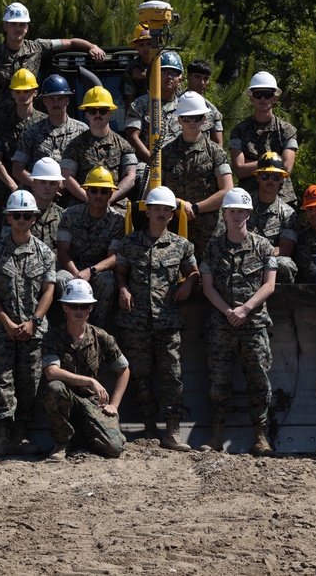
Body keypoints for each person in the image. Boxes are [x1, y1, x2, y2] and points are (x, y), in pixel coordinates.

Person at [114, 186, 198, 451]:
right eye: (157, 209)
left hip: (167, 320)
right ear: (147, 211)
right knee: (140, 376)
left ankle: (173, 432)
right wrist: (123, 289)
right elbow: (120, 272)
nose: (162, 214)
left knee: (172, 375)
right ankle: (149, 429)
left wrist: (188, 284)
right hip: (136, 321)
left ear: (172, 215)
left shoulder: (181, 245)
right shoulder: (130, 243)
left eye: (167, 210)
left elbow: (194, 272)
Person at [199, 188, 277, 456]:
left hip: (253, 326)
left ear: (249, 214)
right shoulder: (212, 247)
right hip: (221, 327)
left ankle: (260, 437)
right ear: (224, 214)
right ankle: (217, 436)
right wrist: (227, 312)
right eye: (232, 211)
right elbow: (207, 287)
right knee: (218, 383)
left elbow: (269, 285)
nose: (237, 216)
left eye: (241, 211)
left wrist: (245, 309)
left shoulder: (263, 246)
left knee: (259, 382)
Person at [0, 189, 56, 456]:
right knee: (1, 380)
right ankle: (2, 435)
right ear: (8, 219)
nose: (22, 220)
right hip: (1, 328)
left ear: (34, 218)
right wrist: (5, 322)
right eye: (17, 215)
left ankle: (22, 435)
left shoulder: (46, 253)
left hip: (32, 329)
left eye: (27, 215)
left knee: (29, 382)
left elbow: (48, 289)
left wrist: (34, 322)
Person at [0, 2, 103, 153]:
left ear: (27, 27)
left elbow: (70, 42)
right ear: (5, 26)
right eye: (13, 24)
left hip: (33, 125)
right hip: (4, 129)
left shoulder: (37, 47)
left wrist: (92, 47)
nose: (18, 28)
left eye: (22, 24)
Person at [40, 279, 131, 461]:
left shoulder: (101, 336)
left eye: (84, 306)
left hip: (92, 402)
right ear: (65, 307)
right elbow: (52, 372)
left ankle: (84, 435)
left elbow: (124, 369)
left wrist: (114, 404)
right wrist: (90, 380)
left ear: (91, 308)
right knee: (54, 388)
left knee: (114, 449)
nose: (79, 312)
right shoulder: (53, 337)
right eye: (74, 306)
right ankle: (62, 443)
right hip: (67, 398)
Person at [161, 91, 233, 254]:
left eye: (197, 117)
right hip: (173, 230)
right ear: (179, 119)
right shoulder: (165, 153)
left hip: (209, 232)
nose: (191, 123)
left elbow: (227, 189)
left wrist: (194, 208)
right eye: (186, 118)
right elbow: (154, 190)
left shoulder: (215, 152)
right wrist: (179, 203)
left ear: (204, 119)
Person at [55, 166, 126, 328]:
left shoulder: (117, 220)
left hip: (97, 270)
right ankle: (66, 328)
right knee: (60, 279)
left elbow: (113, 256)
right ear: (86, 192)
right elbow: (62, 250)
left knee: (108, 281)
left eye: (104, 191)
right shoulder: (70, 215)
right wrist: (76, 274)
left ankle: (96, 328)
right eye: (94, 191)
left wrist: (91, 271)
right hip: (72, 268)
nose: (98, 196)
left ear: (110, 194)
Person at [0, 68, 47, 244]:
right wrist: (13, 186)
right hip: (7, 188)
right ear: (12, 93)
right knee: (1, 236)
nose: (22, 95)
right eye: (18, 91)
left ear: (35, 93)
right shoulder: (3, 122)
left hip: (39, 189)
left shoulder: (44, 122)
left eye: (26, 91)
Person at [229, 71, 299, 206]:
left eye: (267, 95)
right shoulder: (238, 131)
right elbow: (239, 170)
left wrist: (251, 163)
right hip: (248, 199)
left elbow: (287, 167)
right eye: (258, 95)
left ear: (274, 98)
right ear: (251, 98)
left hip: (282, 198)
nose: (262, 99)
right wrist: (274, 161)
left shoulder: (287, 130)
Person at [61, 86, 138, 209]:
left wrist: (111, 198)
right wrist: (89, 199)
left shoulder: (124, 145)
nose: (97, 114)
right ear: (86, 114)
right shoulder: (74, 145)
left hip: (113, 204)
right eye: (92, 111)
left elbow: (130, 177)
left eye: (102, 110)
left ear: (110, 113)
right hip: (82, 203)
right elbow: (66, 176)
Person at [12, 74, 88, 193]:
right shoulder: (31, 132)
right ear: (45, 101)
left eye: (60, 98)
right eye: (52, 99)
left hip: (72, 195)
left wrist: (67, 185)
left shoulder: (82, 131)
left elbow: (88, 167)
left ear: (67, 100)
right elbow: (17, 169)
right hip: (38, 196)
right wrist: (40, 186)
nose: (55, 103)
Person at [243, 151, 298, 283]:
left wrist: (258, 256)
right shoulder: (243, 205)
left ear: (282, 180)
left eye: (275, 177)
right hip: (242, 256)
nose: (270, 181)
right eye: (266, 176)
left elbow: (285, 249)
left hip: (270, 259)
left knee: (286, 264)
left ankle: (282, 302)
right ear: (257, 177)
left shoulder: (288, 213)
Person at [124, 51, 184, 163]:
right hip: (147, 162)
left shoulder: (185, 106)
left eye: (173, 74)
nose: (169, 77)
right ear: (154, 76)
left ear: (179, 80)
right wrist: (153, 161)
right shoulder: (140, 104)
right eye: (164, 73)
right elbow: (132, 137)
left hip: (179, 164)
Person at [185, 59, 224, 145]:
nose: (202, 83)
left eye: (206, 79)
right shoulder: (175, 105)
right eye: (197, 77)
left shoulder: (211, 110)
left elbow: (218, 143)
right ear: (188, 77)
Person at [122, 24, 152, 112]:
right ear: (136, 47)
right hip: (143, 110)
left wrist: (146, 76)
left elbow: (173, 88)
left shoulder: (167, 60)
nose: (146, 49)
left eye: (149, 44)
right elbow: (130, 97)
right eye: (141, 45)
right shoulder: (132, 67)